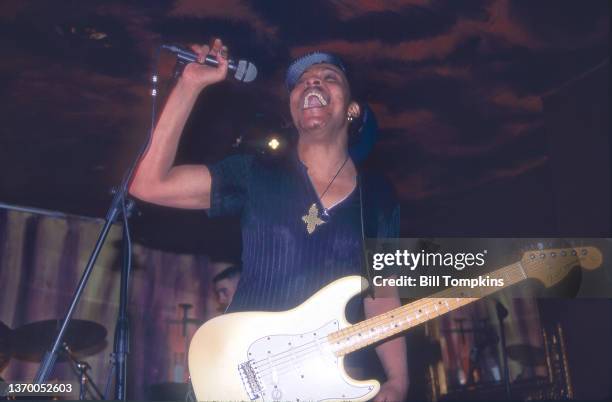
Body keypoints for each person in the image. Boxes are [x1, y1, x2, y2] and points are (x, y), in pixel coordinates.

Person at [130, 38, 408, 401]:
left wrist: (398, 380)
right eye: (301, 82)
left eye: (328, 77)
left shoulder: (380, 198)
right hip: (240, 374)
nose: (312, 83)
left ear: (352, 109)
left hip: (327, 381)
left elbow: (382, 295)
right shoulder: (254, 173)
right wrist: (189, 85)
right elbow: (148, 184)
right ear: (293, 110)